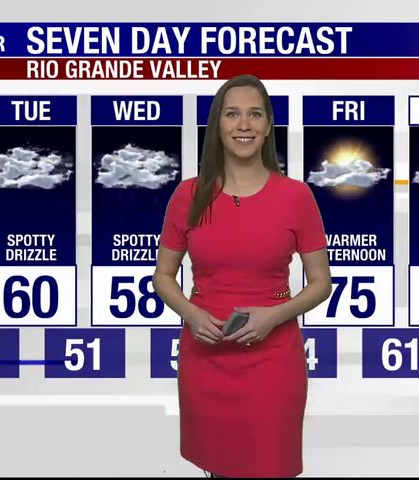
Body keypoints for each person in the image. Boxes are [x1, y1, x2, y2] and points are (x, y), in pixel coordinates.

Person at [153, 74, 332, 478]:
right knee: (218, 468)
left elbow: (321, 282)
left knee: (270, 465)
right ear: (218, 125)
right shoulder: (188, 195)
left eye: (255, 114)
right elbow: (163, 276)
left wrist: (274, 315)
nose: (244, 124)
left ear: (268, 126)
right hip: (206, 358)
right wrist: (191, 313)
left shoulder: (296, 197)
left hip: (272, 362)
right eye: (232, 114)